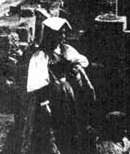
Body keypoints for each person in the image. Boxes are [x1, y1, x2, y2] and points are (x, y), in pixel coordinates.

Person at [11, 17, 95, 154]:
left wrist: (74, 68)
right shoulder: (41, 55)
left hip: (66, 92)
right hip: (50, 97)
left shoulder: (65, 49)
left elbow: (82, 61)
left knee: (70, 123)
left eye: (63, 33)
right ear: (51, 35)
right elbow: (38, 82)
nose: (63, 36)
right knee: (50, 129)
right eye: (59, 33)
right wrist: (45, 104)